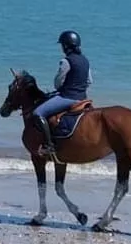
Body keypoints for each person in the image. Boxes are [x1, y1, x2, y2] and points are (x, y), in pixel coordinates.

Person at [33, 30, 91, 160]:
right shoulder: (85, 60)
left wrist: (64, 88)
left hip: (68, 97)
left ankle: (49, 145)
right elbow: (89, 81)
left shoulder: (66, 61)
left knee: (37, 113)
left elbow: (58, 83)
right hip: (83, 98)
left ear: (66, 46)